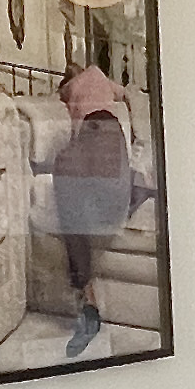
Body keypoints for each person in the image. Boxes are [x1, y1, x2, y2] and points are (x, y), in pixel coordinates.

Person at [49, 66, 142, 358]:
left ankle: (85, 294)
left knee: (69, 175)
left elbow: (58, 96)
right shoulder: (101, 77)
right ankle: (86, 297)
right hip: (111, 129)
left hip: (93, 131)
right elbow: (126, 93)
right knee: (83, 178)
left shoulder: (70, 87)